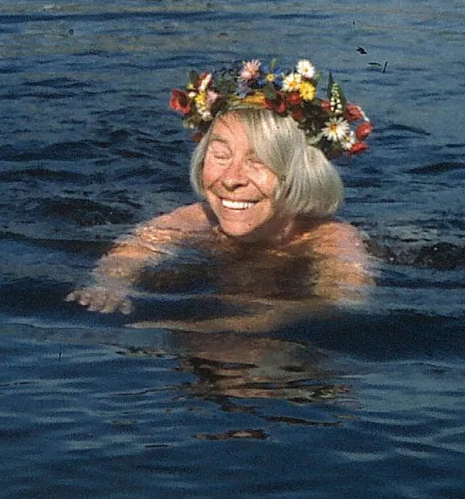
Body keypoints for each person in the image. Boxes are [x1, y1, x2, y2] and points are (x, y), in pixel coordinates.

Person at [66, 58, 374, 332]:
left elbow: (339, 303)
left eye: (258, 160)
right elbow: (132, 252)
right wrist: (109, 283)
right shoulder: (196, 220)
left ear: (300, 173)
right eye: (221, 155)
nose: (231, 179)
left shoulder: (329, 239)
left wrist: (235, 326)